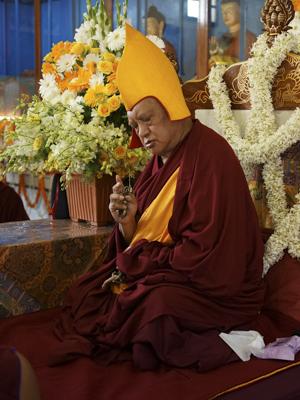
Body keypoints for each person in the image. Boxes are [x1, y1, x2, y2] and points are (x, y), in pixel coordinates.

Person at [51, 24, 264, 372]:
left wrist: (141, 265)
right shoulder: (159, 160)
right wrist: (128, 222)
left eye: (147, 120)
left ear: (171, 107)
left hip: (216, 288)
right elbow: (145, 238)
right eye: (135, 125)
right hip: (171, 271)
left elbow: (208, 257)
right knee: (86, 292)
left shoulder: (210, 156)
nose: (142, 134)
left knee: (154, 305)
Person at [209, 0, 256, 67]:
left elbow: (250, 65)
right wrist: (214, 55)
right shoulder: (222, 38)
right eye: (222, 11)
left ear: (240, 11)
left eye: (229, 10)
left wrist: (220, 59)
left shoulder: (250, 38)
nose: (225, 14)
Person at [145, 5, 179, 73]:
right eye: (146, 25)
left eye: (150, 24)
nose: (147, 28)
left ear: (160, 25)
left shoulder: (167, 47)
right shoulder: (144, 44)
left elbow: (173, 70)